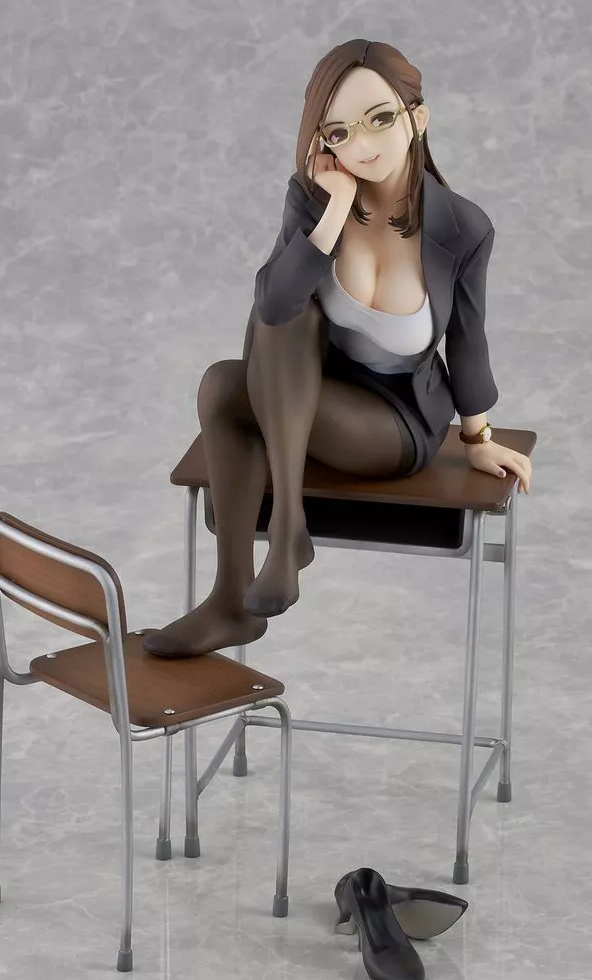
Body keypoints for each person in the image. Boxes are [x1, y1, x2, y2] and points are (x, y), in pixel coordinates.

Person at [143, 38, 532, 660]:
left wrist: (478, 438)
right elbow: (274, 304)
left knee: (233, 384)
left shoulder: (464, 228)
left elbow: (468, 336)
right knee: (238, 362)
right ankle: (238, 593)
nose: (363, 145)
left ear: (417, 119)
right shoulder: (313, 198)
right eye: (340, 132)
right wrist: (334, 212)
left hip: (394, 422)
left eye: (380, 119)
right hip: (305, 391)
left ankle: (284, 537)